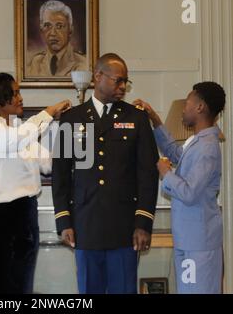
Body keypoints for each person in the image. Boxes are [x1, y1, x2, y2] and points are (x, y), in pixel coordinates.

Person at [52, 53, 159, 294]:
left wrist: (143, 222)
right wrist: (64, 220)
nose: (122, 87)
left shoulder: (136, 118)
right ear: (98, 76)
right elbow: (61, 175)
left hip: (125, 228)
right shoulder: (72, 118)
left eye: (125, 82)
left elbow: (147, 175)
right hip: (85, 227)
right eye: (118, 81)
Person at [0, 72, 71, 294]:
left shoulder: (20, 134)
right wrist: (49, 113)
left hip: (23, 215)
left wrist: (77, 139)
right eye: (15, 93)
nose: (20, 98)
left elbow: (50, 165)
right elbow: (14, 141)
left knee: (20, 283)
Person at [133, 81, 225, 294]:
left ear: (200, 107)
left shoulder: (207, 147)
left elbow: (189, 192)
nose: (184, 108)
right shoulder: (198, 141)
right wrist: (155, 120)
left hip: (198, 244)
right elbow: (176, 154)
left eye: (188, 103)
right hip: (190, 240)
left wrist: (166, 173)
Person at [27, 0, 87, 77]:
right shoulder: (35, 63)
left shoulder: (83, 63)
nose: (53, 33)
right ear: (42, 30)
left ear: (70, 30)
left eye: (59, 26)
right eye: (47, 26)